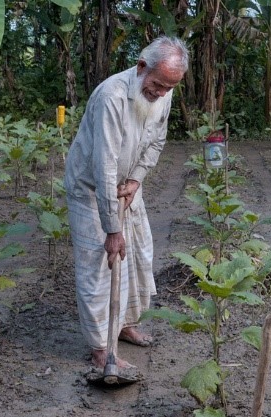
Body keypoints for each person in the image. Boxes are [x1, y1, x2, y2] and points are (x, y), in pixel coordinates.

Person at [64, 36, 189, 368]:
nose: (161, 93)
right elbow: (103, 166)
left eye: (168, 87)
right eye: (158, 85)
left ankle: (124, 325)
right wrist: (111, 228)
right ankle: (100, 348)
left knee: (137, 254)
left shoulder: (165, 90)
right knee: (98, 265)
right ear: (141, 67)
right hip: (91, 188)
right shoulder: (111, 97)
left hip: (126, 183)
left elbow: (157, 138)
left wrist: (136, 179)